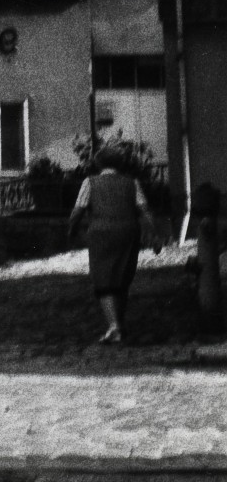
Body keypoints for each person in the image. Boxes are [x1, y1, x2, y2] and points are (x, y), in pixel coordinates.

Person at [68, 143, 156, 344]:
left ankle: (114, 326)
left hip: (101, 233)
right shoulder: (132, 182)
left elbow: (79, 209)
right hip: (128, 231)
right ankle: (120, 323)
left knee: (103, 278)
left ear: (98, 163)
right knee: (122, 276)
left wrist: (71, 228)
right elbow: (144, 209)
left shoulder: (90, 182)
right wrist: (154, 232)